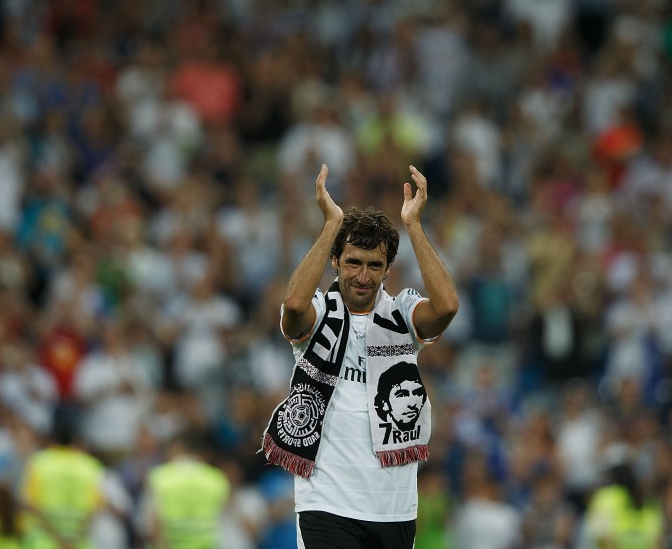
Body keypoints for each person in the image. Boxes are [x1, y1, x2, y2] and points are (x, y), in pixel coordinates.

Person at [262, 163, 459, 549]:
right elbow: (293, 305)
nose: (363, 276)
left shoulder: (402, 313)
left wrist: (414, 226)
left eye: (374, 266)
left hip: (394, 507)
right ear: (335, 262)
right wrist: (331, 225)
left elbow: (448, 306)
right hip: (326, 502)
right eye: (353, 262)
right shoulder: (319, 314)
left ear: (387, 270)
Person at [19, 412, 107, 549]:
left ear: (52, 438)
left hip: (43, 543)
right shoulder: (90, 466)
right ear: (75, 440)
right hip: (79, 543)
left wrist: (58, 540)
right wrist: (73, 542)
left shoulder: (38, 463)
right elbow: (95, 511)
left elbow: (31, 506)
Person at [136, 429, 231, 549]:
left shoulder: (159, 477)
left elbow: (150, 526)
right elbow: (224, 523)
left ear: (177, 449)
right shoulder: (217, 479)